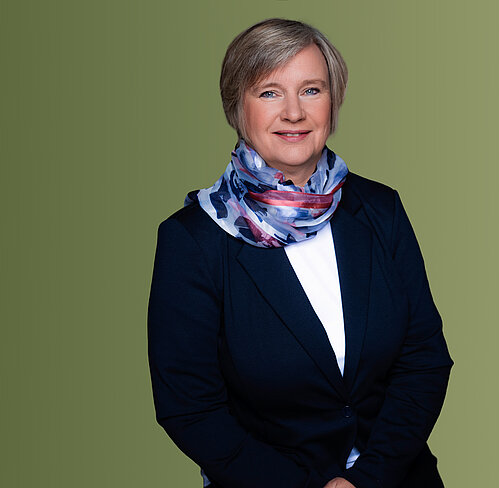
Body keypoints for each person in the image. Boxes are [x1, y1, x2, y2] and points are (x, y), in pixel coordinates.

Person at [147, 18, 453, 488]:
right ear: (237, 107)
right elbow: (190, 408)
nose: (294, 112)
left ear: (333, 102)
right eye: (269, 92)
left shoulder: (380, 209)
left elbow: (424, 359)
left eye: (311, 90)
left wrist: (368, 478)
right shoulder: (193, 240)